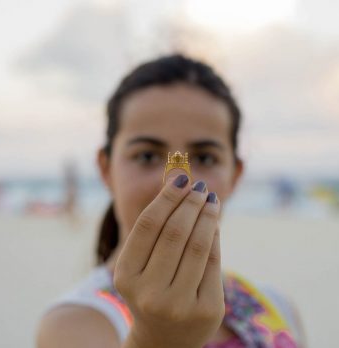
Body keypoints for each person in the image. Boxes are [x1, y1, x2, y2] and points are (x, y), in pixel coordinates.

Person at [37, 54, 307, 348]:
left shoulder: (278, 308)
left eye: (204, 158)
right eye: (147, 156)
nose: (175, 181)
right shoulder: (75, 324)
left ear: (235, 175)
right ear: (106, 168)